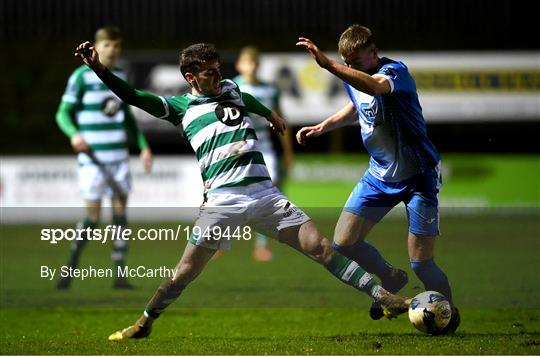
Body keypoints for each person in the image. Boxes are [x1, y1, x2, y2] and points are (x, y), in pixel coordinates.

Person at [72, 40, 409, 340]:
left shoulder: (231, 88)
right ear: (191, 77)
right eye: (208, 73)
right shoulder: (179, 108)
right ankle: (144, 322)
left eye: (218, 70)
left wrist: (269, 113)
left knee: (320, 247)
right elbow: (131, 95)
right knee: (183, 274)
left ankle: (383, 297)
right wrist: (99, 68)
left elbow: (244, 96)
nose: (217, 77)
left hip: (266, 195)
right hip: (223, 201)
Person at [296, 25, 460, 333]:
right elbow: (358, 104)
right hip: (378, 176)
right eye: (346, 63)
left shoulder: (395, 72)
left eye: (355, 63)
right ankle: (391, 278)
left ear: (374, 52)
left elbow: (373, 88)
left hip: (418, 177)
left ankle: (447, 314)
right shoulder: (353, 73)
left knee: (422, 264)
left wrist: (329, 65)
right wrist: (324, 126)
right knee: (343, 243)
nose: (349, 69)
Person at [56, 26, 153, 289]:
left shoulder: (119, 76)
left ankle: (120, 275)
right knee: (94, 217)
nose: (113, 50)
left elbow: (128, 118)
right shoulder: (81, 77)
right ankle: (70, 266)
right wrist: (74, 134)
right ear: (97, 47)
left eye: (117, 45)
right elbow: (62, 113)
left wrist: (143, 145)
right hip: (92, 159)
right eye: (108, 45)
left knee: (120, 215)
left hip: (118, 157)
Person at [231, 46, 294, 262]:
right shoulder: (232, 86)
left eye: (255, 62)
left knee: (267, 193)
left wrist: (288, 152)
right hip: (238, 147)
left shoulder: (270, 90)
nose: (252, 66)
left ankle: (261, 245)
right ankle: (218, 240)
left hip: (264, 147)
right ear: (240, 64)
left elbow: (281, 120)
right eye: (248, 62)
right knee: (231, 193)